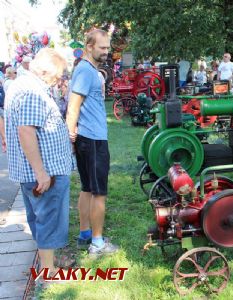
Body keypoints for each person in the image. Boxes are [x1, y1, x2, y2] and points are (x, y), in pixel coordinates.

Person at [4, 48, 72, 278]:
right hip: (45, 172)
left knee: (40, 217)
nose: (60, 78)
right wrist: (41, 172)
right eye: (59, 73)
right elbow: (26, 131)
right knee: (48, 218)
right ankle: (48, 271)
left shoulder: (22, 85)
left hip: (37, 170)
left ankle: (48, 260)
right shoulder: (33, 91)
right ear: (46, 70)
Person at [66, 29, 119, 256]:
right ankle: (97, 244)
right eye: (102, 48)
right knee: (99, 193)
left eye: (108, 47)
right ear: (89, 46)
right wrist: (70, 137)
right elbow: (73, 106)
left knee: (88, 188)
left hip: (89, 139)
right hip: (93, 140)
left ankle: (85, 233)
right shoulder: (86, 71)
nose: (106, 52)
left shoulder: (87, 70)